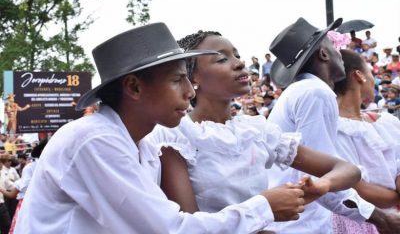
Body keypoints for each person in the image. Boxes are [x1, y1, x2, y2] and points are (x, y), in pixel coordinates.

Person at [15, 23, 305, 234]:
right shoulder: (94, 140)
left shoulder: (144, 144)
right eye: (177, 80)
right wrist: (263, 208)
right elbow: (169, 229)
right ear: (134, 86)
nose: (191, 92)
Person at [141, 30, 362, 233]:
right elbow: (189, 226)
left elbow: (348, 170)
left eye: (237, 55)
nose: (239, 63)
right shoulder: (176, 135)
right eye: (222, 59)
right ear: (193, 78)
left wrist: (320, 185)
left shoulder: (256, 130)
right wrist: (264, 211)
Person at [266, 17, 400, 234]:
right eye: (333, 47)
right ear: (324, 53)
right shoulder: (315, 92)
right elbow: (324, 174)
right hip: (302, 225)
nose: (340, 53)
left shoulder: (304, 91)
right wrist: (381, 219)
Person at [331, 48, 400, 233]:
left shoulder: (387, 122)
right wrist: (395, 199)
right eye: (370, 72)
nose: (373, 79)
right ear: (359, 75)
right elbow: (358, 188)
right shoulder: (335, 130)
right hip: (365, 222)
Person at [0, 139, 47, 234]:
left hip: (34, 202)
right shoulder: (30, 168)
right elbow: (19, 188)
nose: (10, 162)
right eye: (8, 160)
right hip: (26, 202)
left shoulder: (15, 169)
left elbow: (16, 184)